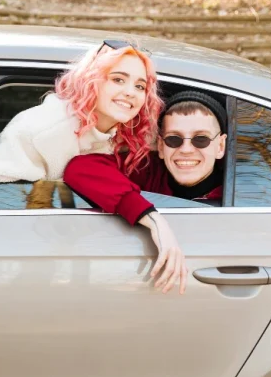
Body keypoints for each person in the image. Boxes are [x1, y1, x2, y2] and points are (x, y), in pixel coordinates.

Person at [63, 90, 228, 295]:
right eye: (173, 140)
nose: (186, 149)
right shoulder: (145, 171)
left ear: (220, 146)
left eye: (201, 139)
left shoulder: (243, 194)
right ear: (160, 145)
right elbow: (79, 169)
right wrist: (154, 220)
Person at [0, 39, 162, 183]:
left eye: (140, 86)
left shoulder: (129, 130)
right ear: (90, 80)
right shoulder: (45, 130)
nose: (131, 92)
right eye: (118, 80)